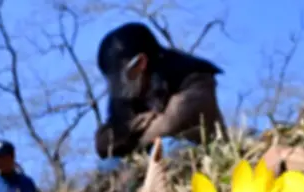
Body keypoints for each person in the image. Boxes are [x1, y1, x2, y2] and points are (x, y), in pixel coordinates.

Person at [94, 22, 227, 161]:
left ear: (141, 63)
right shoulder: (126, 92)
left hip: (198, 154)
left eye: (119, 77)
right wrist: (133, 127)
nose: (117, 85)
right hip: (143, 163)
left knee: (169, 146)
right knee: (108, 165)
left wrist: (129, 137)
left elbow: (169, 126)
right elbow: (103, 144)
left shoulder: (193, 76)